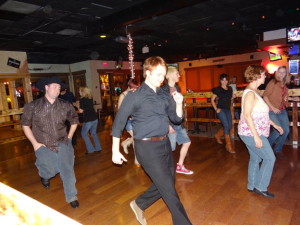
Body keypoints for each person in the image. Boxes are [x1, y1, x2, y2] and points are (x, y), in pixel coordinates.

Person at [111, 56, 192, 225]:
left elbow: (176, 120)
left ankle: (139, 203)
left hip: (164, 143)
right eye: (158, 74)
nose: (161, 78)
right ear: (147, 72)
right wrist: (115, 150)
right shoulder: (135, 96)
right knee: (169, 191)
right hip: (146, 147)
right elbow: (118, 123)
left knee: (167, 182)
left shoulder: (163, 95)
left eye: (163, 75)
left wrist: (178, 104)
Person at [21, 76, 79, 208]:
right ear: (46, 87)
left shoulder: (65, 105)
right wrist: (35, 144)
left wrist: (69, 138)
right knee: (49, 171)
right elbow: (25, 125)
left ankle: (71, 196)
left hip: (63, 142)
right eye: (54, 86)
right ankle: (44, 175)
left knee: (67, 170)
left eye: (59, 87)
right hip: (43, 144)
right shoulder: (32, 106)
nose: (57, 89)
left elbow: (74, 121)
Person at [238, 65, 283, 198]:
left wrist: (274, 124)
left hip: (251, 132)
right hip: (251, 133)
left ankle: (252, 185)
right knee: (270, 158)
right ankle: (261, 186)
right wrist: (256, 137)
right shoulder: (250, 94)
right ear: (257, 76)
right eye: (263, 74)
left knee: (255, 158)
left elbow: (260, 114)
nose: (265, 76)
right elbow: (247, 115)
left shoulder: (254, 91)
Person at [161, 66, 193, 175]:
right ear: (169, 75)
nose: (179, 75)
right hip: (169, 123)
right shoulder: (162, 91)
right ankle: (162, 169)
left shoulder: (177, 88)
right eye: (177, 73)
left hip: (177, 122)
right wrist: (168, 126)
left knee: (187, 142)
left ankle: (180, 165)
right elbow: (162, 110)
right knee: (170, 148)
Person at [263, 66, 299, 159]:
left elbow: (283, 98)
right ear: (277, 73)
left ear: (286, 74)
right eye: (280, 72)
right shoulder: (272, 82)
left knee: (286, 130)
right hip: (272, 110)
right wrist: (273, 107)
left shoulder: (284, 84)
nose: (281, 74)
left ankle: (278, 149)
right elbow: (265, 96)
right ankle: (267, 149)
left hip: (282, 110)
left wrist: (292, 98)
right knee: (278, 130)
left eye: (283, 72)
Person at [117, 79, 140, 165]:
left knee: (137, 137)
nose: (135, 90)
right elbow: (120, 111)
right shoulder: (122, 95)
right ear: (128, 87)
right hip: (127, 121)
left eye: (136, 88)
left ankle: (125, 142)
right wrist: (129, 115)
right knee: (137, 138)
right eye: (133, 88)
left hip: (136, 119)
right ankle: (137, 159)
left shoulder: (134, 94)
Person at [211, 73, 235, 153]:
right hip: (221, 110)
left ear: (228, 81)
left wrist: (232, 97)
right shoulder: (217, 89)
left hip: (228, 109)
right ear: (220, 81)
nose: (224, 82)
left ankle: (217, 135)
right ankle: (228, 146)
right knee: (226, 125)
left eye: (226, 80)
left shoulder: (230, 89)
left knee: (229, 126)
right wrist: (216, 109)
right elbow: (212, 100)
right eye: (223, 80)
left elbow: (229, 98)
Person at [78, 86, 102, 154]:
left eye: (80, 91)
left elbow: (81, 111)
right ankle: (98, 148)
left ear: (83, 92)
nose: (79, 92)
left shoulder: (82, 99)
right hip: (95, 119)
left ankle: (91, 149)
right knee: (93, 133)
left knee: (84, 134)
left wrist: (78, 107)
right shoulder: (90, 98)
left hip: (88, 120)